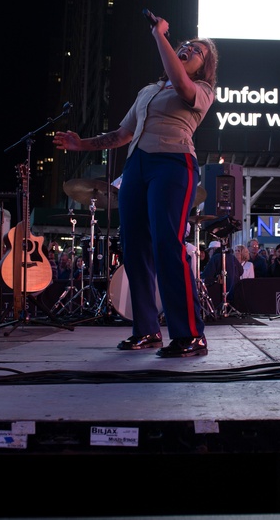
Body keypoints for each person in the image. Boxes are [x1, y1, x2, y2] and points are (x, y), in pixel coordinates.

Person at [54, 18, 217, 357]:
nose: (188, 48)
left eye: (197, 51)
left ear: (205, 66)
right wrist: (80, 144)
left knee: (166, 244)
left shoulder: (201, 90)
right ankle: (146, 330)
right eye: (186, 44)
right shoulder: (148, 91)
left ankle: (190, 335)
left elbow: (179, 80)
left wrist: (160, 36)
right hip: (136, 167)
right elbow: (121, 134)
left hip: (173, 164)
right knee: (134, 249)